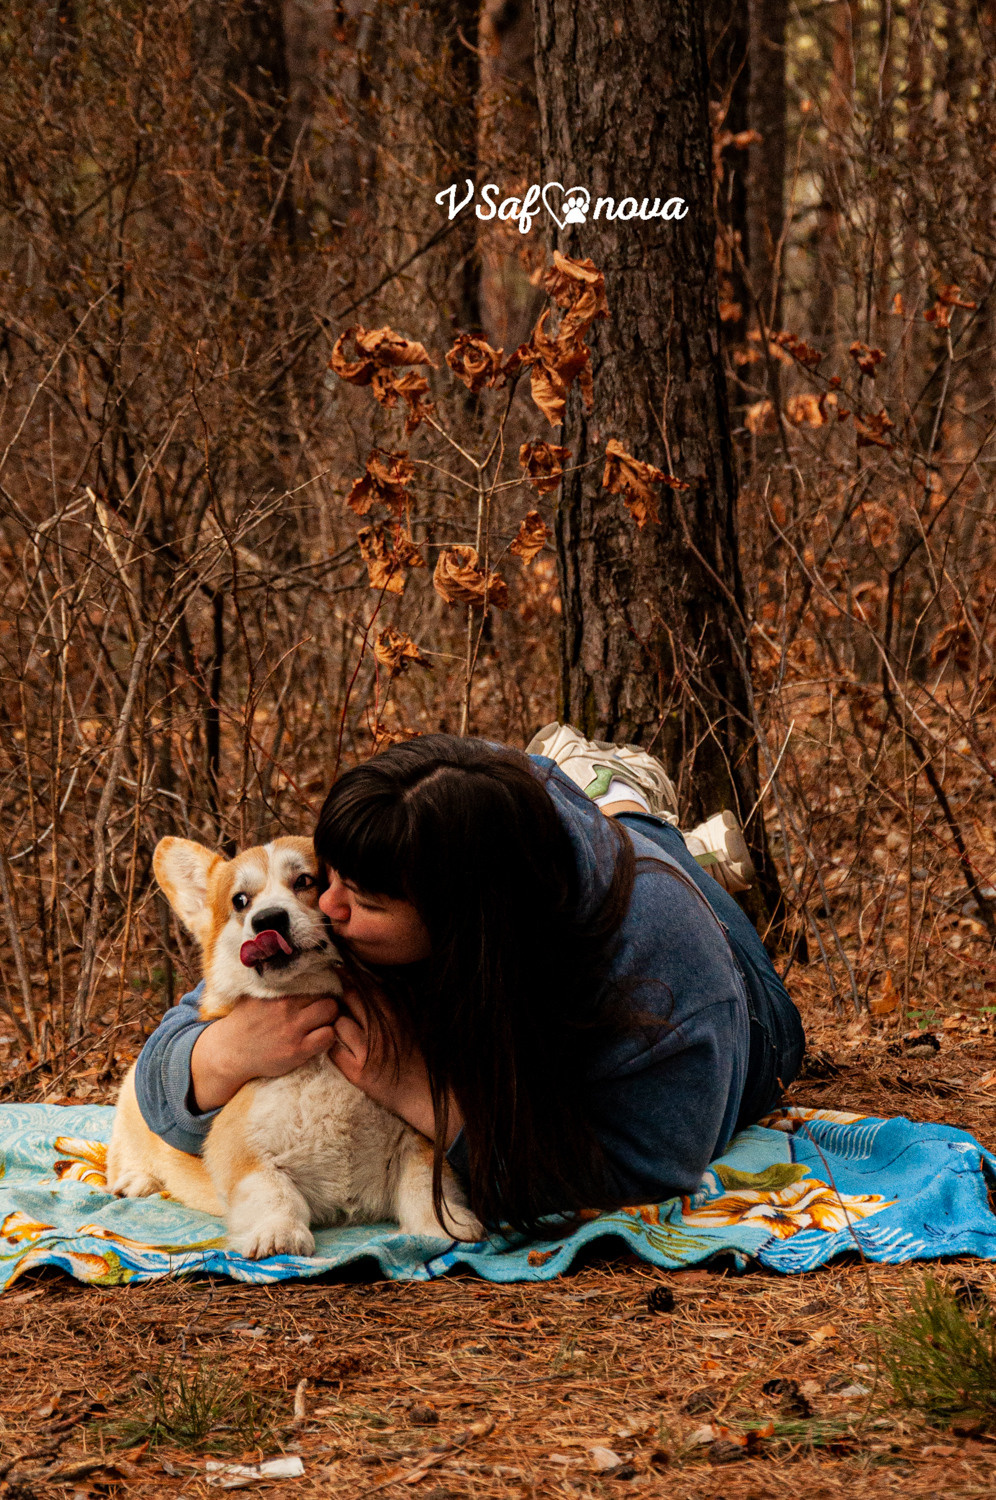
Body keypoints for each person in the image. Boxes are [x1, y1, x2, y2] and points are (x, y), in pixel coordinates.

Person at [133, 729, 805, 1234]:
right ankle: (602, 793)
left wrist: (416, 1092)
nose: (327, 912)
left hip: (748, 1003)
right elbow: (167, 1074)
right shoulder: (402, 850)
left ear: (459, 926)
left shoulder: (672, 995)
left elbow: (638, 1172)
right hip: (529, 813)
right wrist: (224, 1053)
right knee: (598, 825)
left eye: (361, 900)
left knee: (651, 855)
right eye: (328, 879)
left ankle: (648, 824)